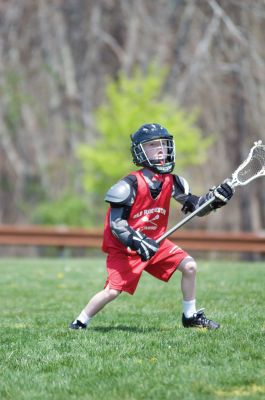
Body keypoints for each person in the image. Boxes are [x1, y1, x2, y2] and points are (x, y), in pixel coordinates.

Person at [69, 123, 234, 330]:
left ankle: (190, 316)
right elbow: (116, 225)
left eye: (164, 145)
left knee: (190, 266)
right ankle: (80, 322)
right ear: (140, 151)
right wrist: (137, 241)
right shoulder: (128, 185)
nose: (161, 149)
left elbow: (196, 208)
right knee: (112, 291)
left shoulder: (172, 181)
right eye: (153, 145)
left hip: (157, 242)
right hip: (126, 248)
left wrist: (213, 201)